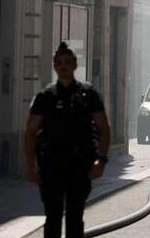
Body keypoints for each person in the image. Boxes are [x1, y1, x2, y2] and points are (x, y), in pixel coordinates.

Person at [24, 42, 111, 238]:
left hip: (79, 165)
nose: (63, 67)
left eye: (68, 62)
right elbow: (30, 132)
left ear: (75, 65)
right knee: (52, 217)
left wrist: (101, 160)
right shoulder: (45, 97)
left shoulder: (88, 95)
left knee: (75, 217)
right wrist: (31, 166)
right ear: (54, 66)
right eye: (59, 63)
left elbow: (103, 129)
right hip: (51, 166)